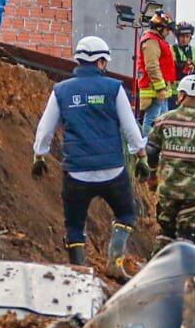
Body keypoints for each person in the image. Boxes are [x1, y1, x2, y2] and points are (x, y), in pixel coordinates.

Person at [32, 35, 147, 275]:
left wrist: (39, 156)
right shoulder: (114, 88)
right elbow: (130, 129)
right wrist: (141, 156)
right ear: (102, 62)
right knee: (125, 213)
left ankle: (78, 270)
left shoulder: (61, 91)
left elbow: (45, 130)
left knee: (74, 225)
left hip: (76, 174)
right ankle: (114, 264)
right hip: (112, 171)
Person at [143, 74, 195, 247]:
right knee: (186, 235)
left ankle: (157, 268)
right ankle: (182, 269)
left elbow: (151, 151)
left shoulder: (164, 120)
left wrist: (152, 177)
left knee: (166, 233)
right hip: (194, 194)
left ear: (181, 95)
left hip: (168, 190)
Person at [135, 10, 177, 135]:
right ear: (159, 27)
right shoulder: (151, 41)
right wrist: (160, 88)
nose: (168, 32)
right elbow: (152, 66)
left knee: (163, 120)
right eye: (167, 29)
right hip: (155, 89)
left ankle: (157, 147)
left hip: (160, 89)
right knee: (152, 120)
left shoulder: (156, 40)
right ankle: (147, 147)